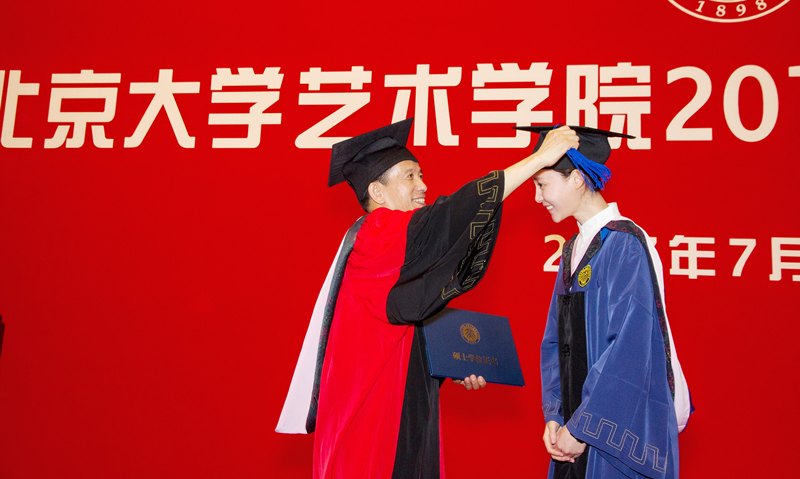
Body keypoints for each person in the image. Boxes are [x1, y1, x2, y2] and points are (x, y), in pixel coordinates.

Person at [276, 118, 579, 479]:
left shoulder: (392, 253)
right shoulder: (375, 236)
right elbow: (448, 218)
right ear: (377, 192)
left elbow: (405, 317)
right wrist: (538, 159)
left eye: (421, 175)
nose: (423, 186)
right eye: (410, 176)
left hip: (403, 417)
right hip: (371, 431)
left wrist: (453, 364)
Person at [518, 125, 692, 479]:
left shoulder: (625, 243)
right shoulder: (573, 249)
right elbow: (555, 341)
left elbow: (629, 348)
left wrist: (584, 426)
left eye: (542, 184)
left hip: (614, 429)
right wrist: (555, 416)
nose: (537, 197)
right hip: (576, 426)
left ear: (576, 179)